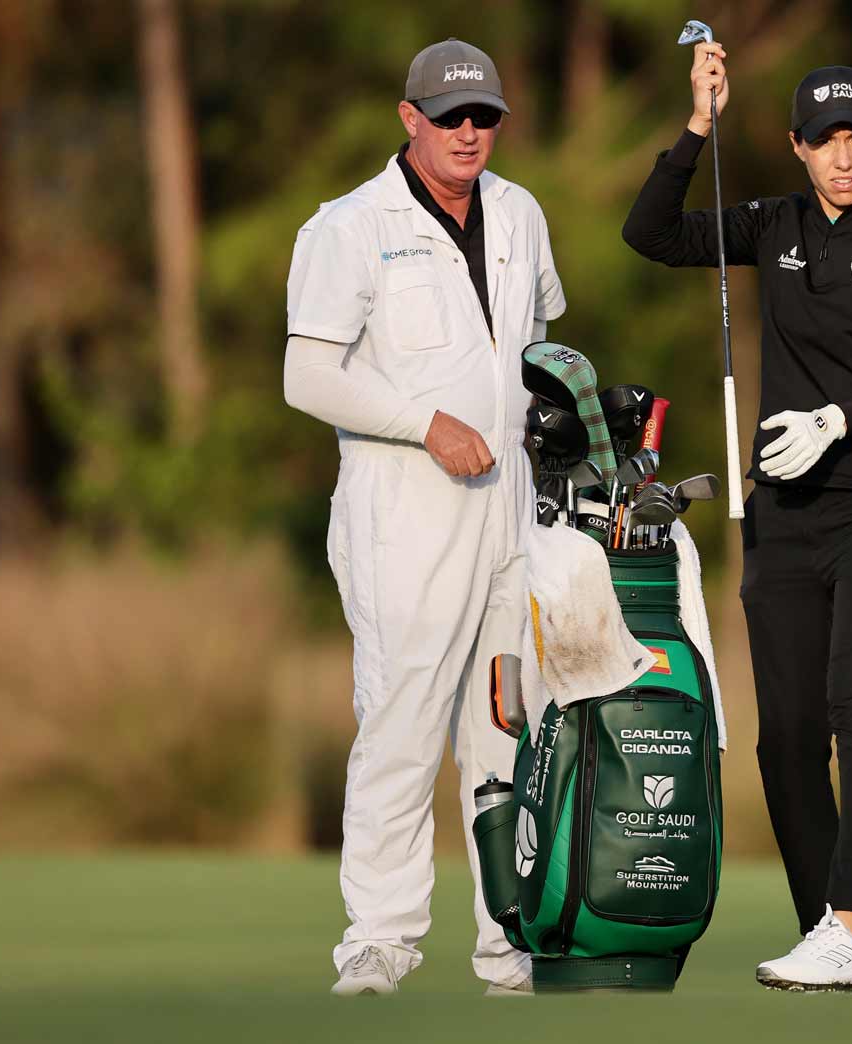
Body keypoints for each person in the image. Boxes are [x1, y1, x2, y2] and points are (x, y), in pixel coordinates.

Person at [622, 43, 852, 991]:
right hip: (782, 513)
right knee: (784, 736)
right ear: (796, 147)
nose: (844, 157)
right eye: (826, 141)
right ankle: (829, 928)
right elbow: (649, 234)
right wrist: (698, 127)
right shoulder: (773, 223)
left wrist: (842, 420)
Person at [282, 37, 565, 998]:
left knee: (508, 729)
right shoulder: (349, 226)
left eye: (484, 115)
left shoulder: (522, 214)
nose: (470, 132)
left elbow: (535, 353)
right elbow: (307, 375)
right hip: (402, 517)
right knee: (401, 720)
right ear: (410, 120)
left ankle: (510, 942)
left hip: (511, 519)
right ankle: (380, 940)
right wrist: (423, 423)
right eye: (451, 117)